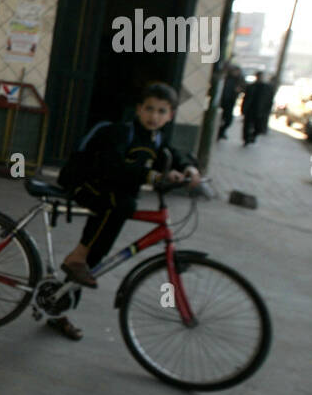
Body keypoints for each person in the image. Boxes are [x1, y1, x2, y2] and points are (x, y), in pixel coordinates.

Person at [48, 83, 202, 340]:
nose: (154, 116)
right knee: (123, 205)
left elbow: (174, 154)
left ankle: (57, 307)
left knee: (95, 260)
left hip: (112, 194)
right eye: (149, 109)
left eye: (161, 111)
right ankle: (76, 257)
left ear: (170, 115)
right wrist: (153, 176)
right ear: (139, 109)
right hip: (85, 183)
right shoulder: (122, 132)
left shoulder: (157, 138)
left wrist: (190, 169)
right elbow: (113, 166)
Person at [241, 71, 276, 145]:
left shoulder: (267, 88)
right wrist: (243, 109)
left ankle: (253, 136)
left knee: (259, 127)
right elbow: (246, 98)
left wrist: (267, 110)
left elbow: (270, 100)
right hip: (250, 110)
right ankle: (246, 139)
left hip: (261, 111)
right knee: (247, 126)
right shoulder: (251, 86)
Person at [217, 64, 243, 140]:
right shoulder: (226, 78)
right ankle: (220, 133)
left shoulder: (239, 80)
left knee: (228, 120)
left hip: (230, 102)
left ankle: (221, 132)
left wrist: (239, 90)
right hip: (223, 101)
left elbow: (243, 88)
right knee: (222, 118)